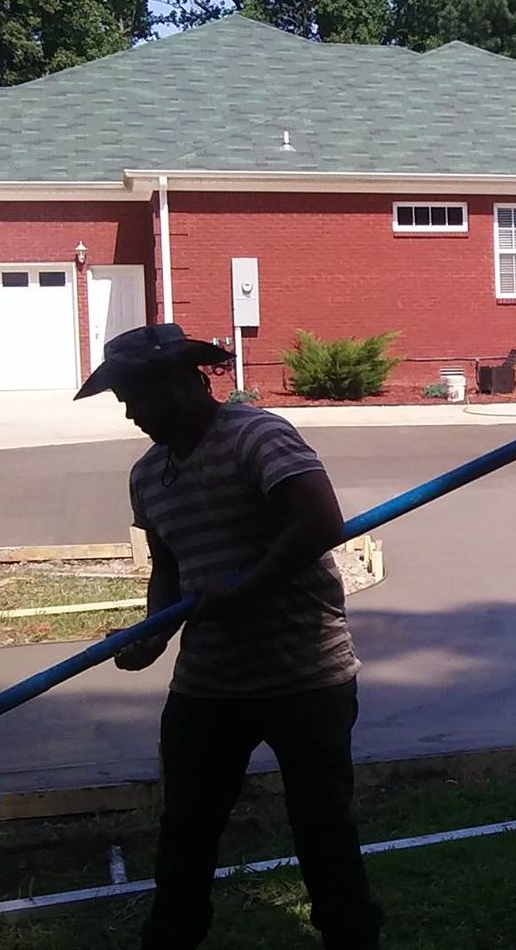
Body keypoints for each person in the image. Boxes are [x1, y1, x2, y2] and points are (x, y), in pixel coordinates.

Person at [81, 323, 383, 950]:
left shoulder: (258, 435)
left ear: (180, 382)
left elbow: (320, 521)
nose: (132, 414)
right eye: (123, 402)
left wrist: (248, 588)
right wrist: (153, 635)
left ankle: (352, 940)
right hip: (209, 682)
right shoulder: (147, 475)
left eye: (136, 398)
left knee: (323, 826)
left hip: (305, 673)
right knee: (186, 829)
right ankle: (171, 939)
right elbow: (170, 568)